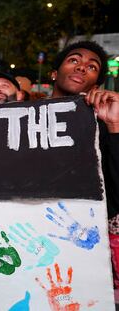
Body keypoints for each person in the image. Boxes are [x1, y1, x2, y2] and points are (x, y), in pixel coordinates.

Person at [50, 40, 119, 293]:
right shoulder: (15, 119)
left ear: (97, 85)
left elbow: (116, 196)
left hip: (84, 255)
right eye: (74, 60)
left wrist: (114, 126)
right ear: (54, 73)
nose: (82, 67)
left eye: (92, 66)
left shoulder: (105, 125)